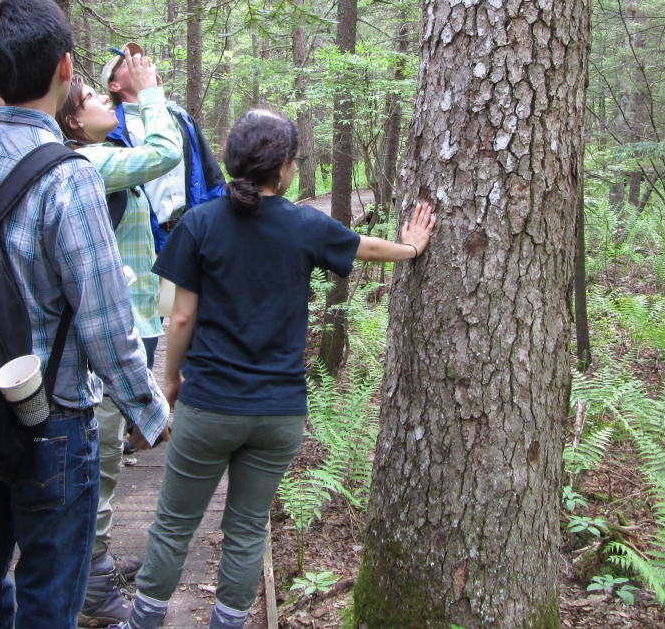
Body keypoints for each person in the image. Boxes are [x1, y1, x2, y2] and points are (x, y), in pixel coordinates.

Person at [119, 109, 436, 629]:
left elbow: (179, 315)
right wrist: (414, 246)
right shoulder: (304, 225)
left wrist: (170, 380)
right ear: (285, 169)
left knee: (175, 523)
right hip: (279, 413)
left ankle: (144, 620)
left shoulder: (200, 222)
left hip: (209, 406)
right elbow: (367, 248)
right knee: (247, 529)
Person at [0, 0, 171, 629]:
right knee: (49, 598)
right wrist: (147, 408)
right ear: (66, 68)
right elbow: (103, 320)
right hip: (51, 420)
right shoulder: (69, 177)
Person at [55, 60, 183, 627]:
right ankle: (93, 590)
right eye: (89, 98)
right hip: (104, 335)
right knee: (102, 458)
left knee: (109, 455)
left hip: (127, 324)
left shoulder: (98, 155)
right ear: (75, 123)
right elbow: (163, 153)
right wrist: (150, 94)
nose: (103, 103)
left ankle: (93, 566)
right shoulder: (91, 162)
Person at [101, 43, 225, 247]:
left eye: (140, 59)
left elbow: (211, 176)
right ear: (114, 85)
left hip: (193, 231)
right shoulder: (110, 129)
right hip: (146, 239)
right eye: (127, 62)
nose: (138, 63)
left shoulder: (179, 117)